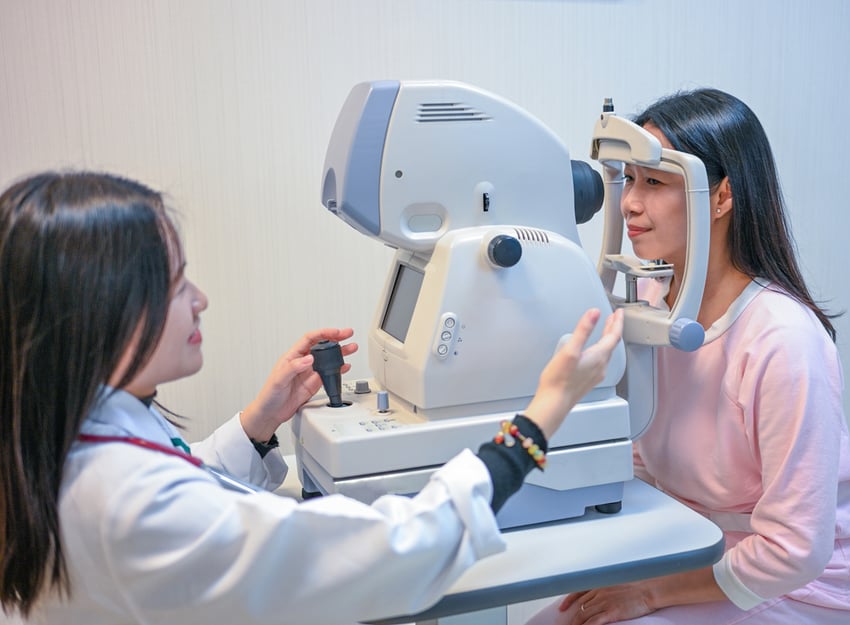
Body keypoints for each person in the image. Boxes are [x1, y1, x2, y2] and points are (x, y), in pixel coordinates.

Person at [0, 171, 625, 625]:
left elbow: (184, 482)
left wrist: (257, 425)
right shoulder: (127, 505)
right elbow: (401, 550)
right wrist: (545, 411)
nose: (199, 300)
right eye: (175, 281)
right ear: (102, 310)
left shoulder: (63, 437)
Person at [526, 89, 850, 625]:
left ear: (721, 195)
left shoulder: (781, 339)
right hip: (690, 550)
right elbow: (645, 464)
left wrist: (651, 592)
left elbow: (797, 549)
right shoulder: (654, 309)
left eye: (655, 182)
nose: (630, 203)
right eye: (631, 180)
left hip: (793, 590)